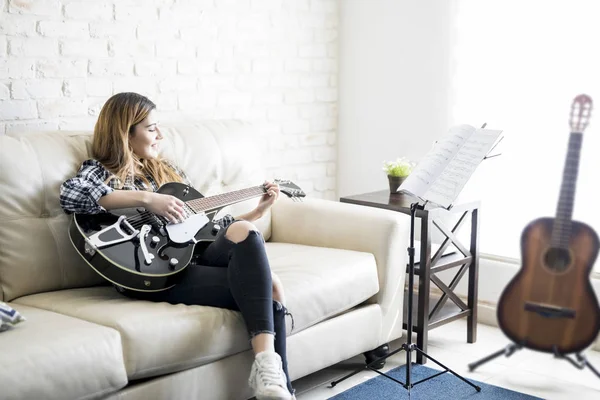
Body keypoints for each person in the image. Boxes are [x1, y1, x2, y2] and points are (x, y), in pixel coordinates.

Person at [59, 92, 295, 400]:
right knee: (270, 288)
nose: (160, 135)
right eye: (151, 128)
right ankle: (281, 387)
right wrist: (147, 199)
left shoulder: (168, 172)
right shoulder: (100, 170)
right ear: (125, 134)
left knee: (246, 231)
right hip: (152, 273)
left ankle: (271, 376)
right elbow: (72, 196)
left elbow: (208, 230)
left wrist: (259, 211)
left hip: (193, 260)